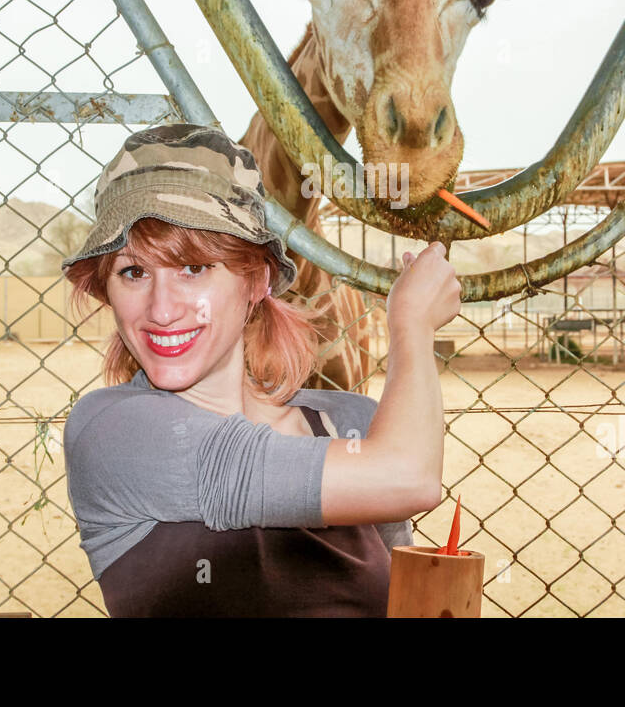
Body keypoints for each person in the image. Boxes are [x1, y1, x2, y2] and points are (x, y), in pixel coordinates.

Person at [60, 123, 461, 616]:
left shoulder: (351, 420)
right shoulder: (116, 434)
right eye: (133, 272)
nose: (161, 309)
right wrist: (412, 326)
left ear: (256, 280)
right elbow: (408, 477)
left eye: (194, 267)